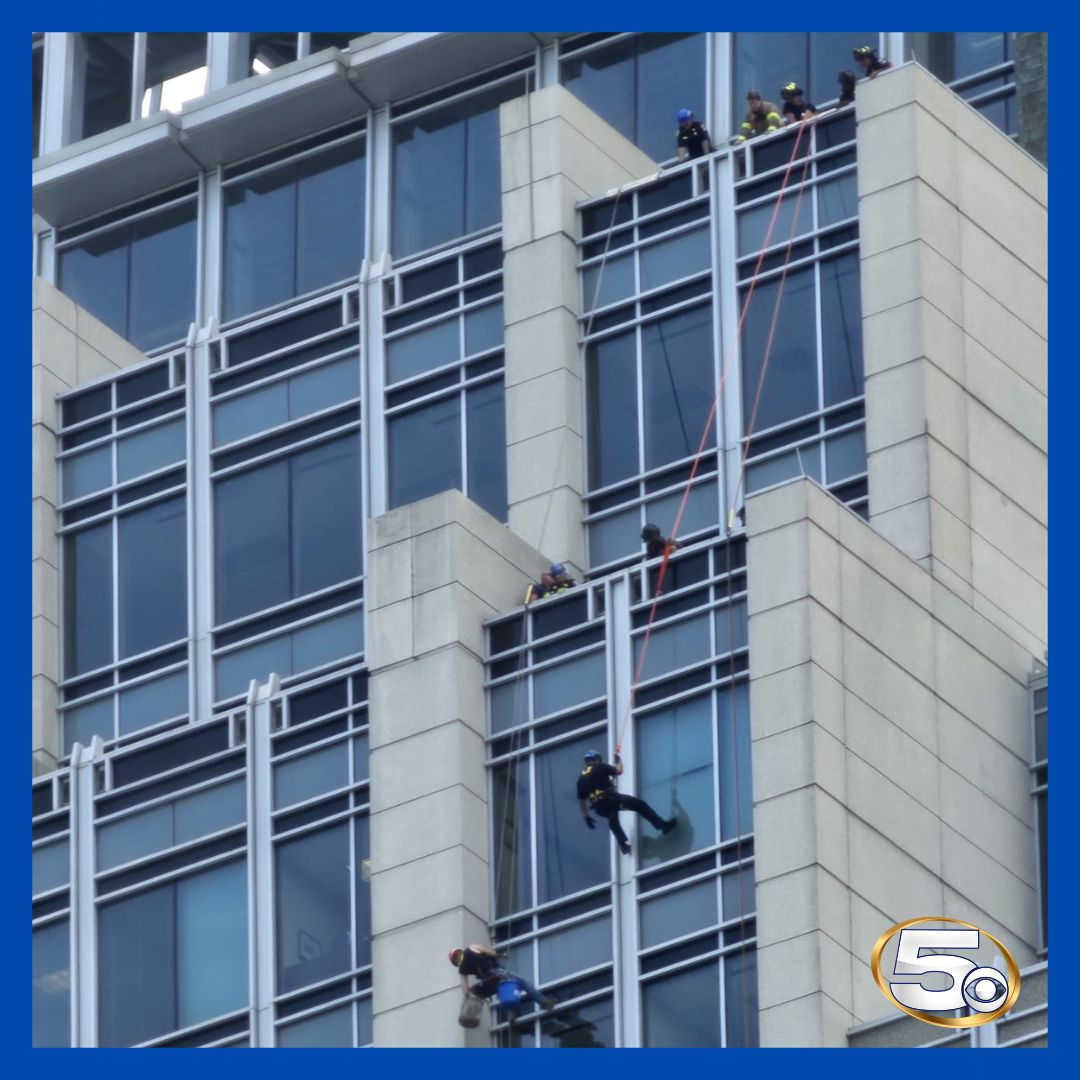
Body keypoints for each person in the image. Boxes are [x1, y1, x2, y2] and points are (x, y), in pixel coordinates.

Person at [577, 749, 677, 856]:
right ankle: (662, 826)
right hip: (611, 799)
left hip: (600, 808)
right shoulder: (600, 767)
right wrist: (619, 761)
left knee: (612, 818)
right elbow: (619, 771)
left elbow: (582, 803)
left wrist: (586, 817)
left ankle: (624, 846)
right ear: (596, 759)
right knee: (640, 805)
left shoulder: (580, 780)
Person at [449, 944, 556, 1020]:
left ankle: (511, 1014)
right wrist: (499, 954)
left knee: (505, 991)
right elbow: (489, 953)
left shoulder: (462, 969)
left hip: (487, 983)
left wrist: (466, 999)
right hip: (495, 973)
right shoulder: (471, 948)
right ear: (459, 951)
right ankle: (544, 1002)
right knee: (522, 982)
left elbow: (464, 987)